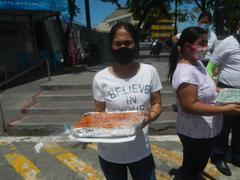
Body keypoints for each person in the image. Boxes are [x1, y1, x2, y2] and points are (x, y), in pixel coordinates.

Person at [168, 26, 240, 179]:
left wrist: (229, 93)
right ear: (188, 46)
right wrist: (225, 109)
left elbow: (208, 88)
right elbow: (189, 106)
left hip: (205, 131)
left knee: (198, 164)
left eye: (206, 42)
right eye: (202, 43)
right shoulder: (185, 73)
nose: (206, 47)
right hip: (195, 133)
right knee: (192, 167)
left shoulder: (197, 63)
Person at [92, 22, 162, 180]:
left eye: (128, 42)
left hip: (141, 152)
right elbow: (99, 114)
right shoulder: (100, 78)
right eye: (118, 43)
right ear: (111, 46)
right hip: (110, 154)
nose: (123, 46)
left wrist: (150, 117)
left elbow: (157, 102)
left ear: (135, 45)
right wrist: (88, 133)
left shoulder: (149, 72)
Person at [206, 18, 240, 176]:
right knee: (223, 126)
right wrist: (213, 87)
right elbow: (211, 66)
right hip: (228, 90)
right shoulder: (228, 42)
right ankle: (218, 156)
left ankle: (237, 155)